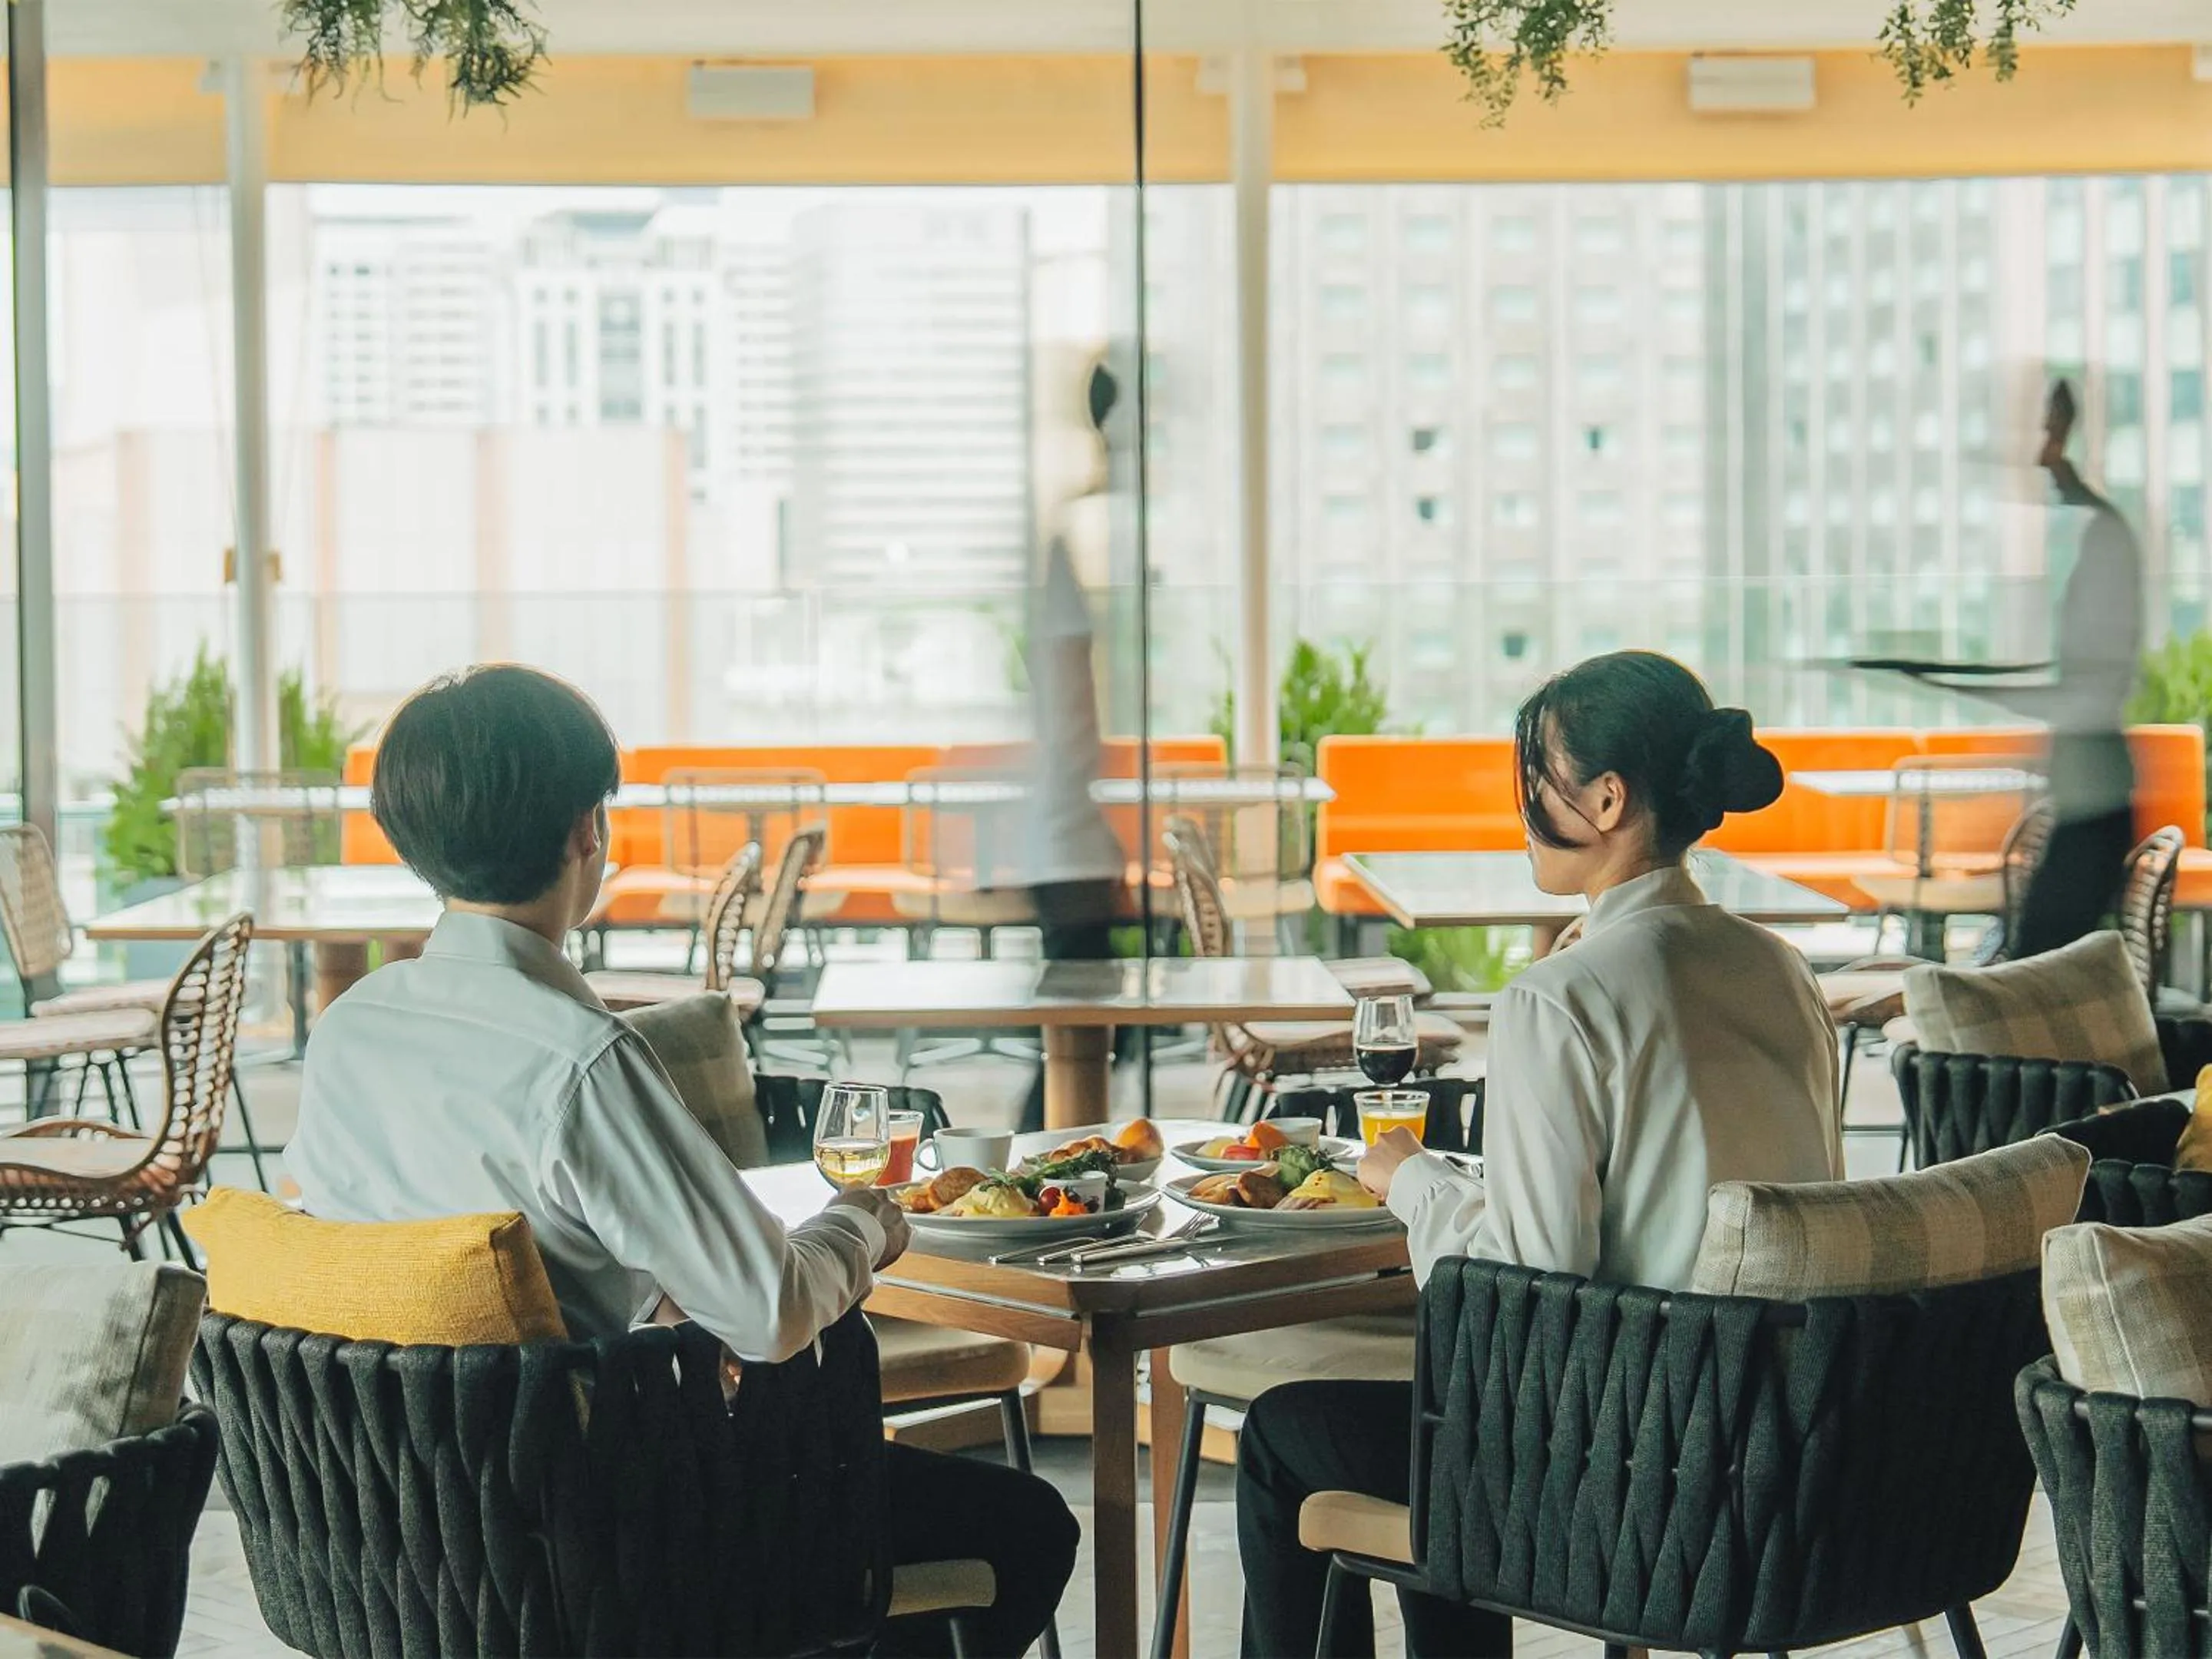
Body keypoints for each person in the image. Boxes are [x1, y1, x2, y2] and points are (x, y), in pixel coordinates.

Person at [286, 664, 1077, 1659]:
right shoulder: (581, 1059)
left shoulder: (352, 1029)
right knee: (1026, 1527)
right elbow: (769, 1310)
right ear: (589, 833)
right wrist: (866, 1220)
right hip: (602, 1540)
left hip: (394, 1525)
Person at [1235, 652, 1843, 1659]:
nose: (1520, 802)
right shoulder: (1778, 967)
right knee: (1447, 1408)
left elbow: (1527, 1296)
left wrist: (1411, 1177)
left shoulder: (1560, 999)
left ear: (1606, 799)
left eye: (1537, 775)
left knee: (1287, 1437)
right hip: (1777, 1452)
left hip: (1625, 1472)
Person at [1894, 379, 2142, 957]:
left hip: (2096, 803)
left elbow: (2076, 698)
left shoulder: (2107, 548)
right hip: (2089, 800)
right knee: (2037, 956)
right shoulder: (2103, 543)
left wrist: (1949, 681)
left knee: (2038, 960)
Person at [1015, 357, 1128, 1133]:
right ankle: (1051, 1150)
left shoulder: (1060, 545)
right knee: (1077, 1026)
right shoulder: (1059, 550)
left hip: (1071, 835)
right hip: (1066, 840)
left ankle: (1054, 1148)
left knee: (1077, 1025)